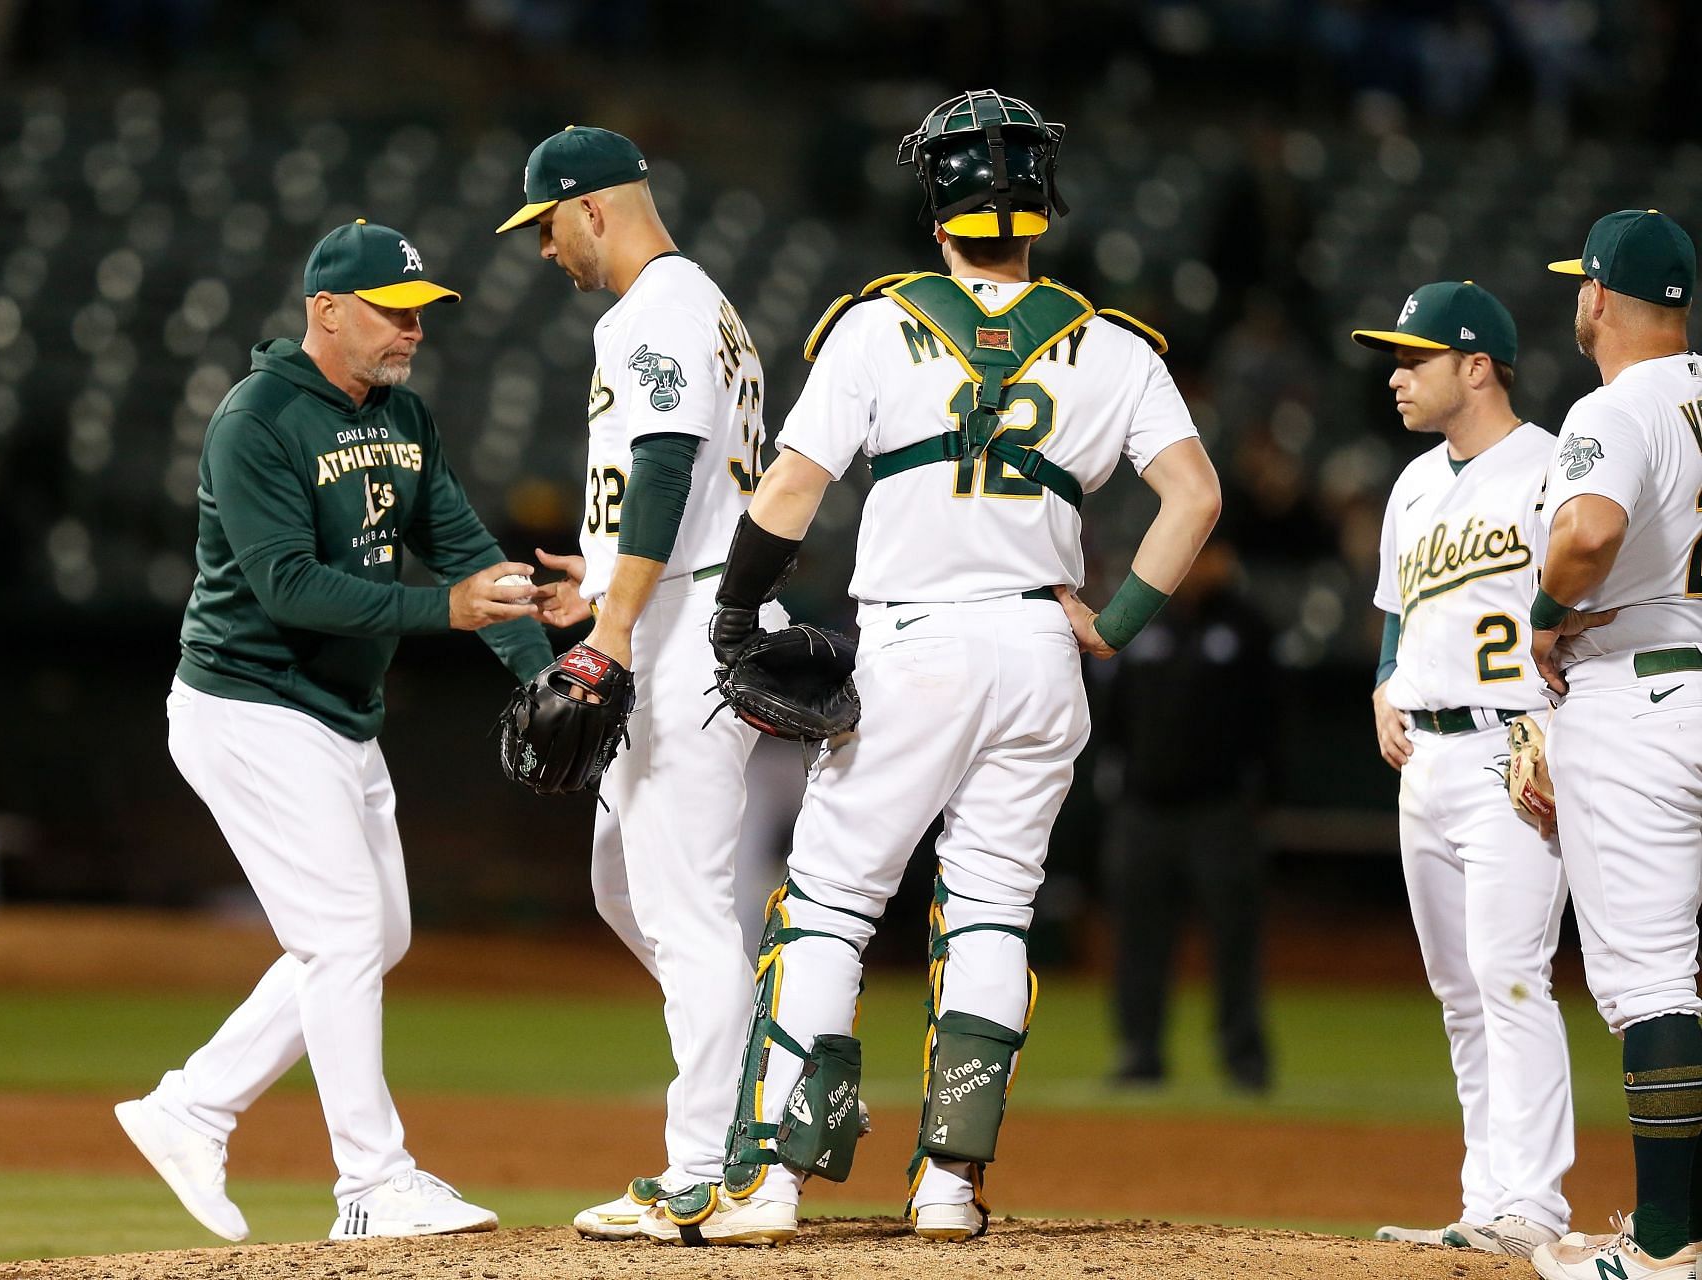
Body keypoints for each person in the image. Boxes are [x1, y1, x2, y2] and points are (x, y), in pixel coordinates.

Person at [683, 89, 1221, 1246]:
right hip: (1040, 652)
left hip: (918, 642)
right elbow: (1196, 494)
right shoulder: (1115, 345)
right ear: (1043, 204)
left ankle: (778, 1180)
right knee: (991, 909)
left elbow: (790, 487)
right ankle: (947, 1187)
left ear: (934, 200)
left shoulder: (877, 327)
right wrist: (1116, 618)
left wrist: (732, 608)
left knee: (830, 901)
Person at [114, 219, 552, 1242]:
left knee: (370, 933)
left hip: (339, 714)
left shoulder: (403, 415)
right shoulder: (257, 418)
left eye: (421, 313)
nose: (413, 330)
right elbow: (290, 587)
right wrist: (442, 612)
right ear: (324, 310)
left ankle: (192, 1106)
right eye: (393, 313)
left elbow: (463, 548)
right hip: (247, 704)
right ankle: (370, 1179)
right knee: (347, 932)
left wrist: (544, 672)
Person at [494, 126, 806, 1244]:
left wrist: (616, 624)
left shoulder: (655, 310)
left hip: (682, 635)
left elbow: (669, 458)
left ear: (593, 208)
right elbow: (679, 482)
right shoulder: (702, 309)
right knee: (627, 889)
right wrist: (610, 565)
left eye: (544, 226)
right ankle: (773, 1076)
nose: (543, 249)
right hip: (682, 599)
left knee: (682, 908)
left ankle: (712, 1166)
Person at [1351, 281, 1574, 1257]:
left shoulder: (1550, 468)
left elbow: (1590, 603)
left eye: (1416, 357)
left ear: (1476, 365)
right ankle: (1487, 1196)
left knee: (1510, 973)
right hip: (1425, 758)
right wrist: (1383, 678)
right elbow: (1399, 609)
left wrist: (1561, 728)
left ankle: (1537, 1204)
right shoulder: (1412, 483)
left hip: (1511, 747)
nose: (1397, 375)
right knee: (1457, 988)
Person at [1526, 210, 1702, 1280]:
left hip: (1643, 704)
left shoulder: (1613, 407)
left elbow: (1589, 533)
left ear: (1597, 297)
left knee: (1652, 982)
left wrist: (1545, 610)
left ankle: (1667, 1240)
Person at [1099, 535, 1274, 1095]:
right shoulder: (1142, 622)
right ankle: (1140, 1049)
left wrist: (1263, 796)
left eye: (1209, 553)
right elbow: (1111, 715)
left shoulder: (1248, 627)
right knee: (1137, 938)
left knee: (1235, 940)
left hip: (1220, 810)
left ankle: (1243, 1054)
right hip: (1144, 808)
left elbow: (1273, 721)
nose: (1200, 565)